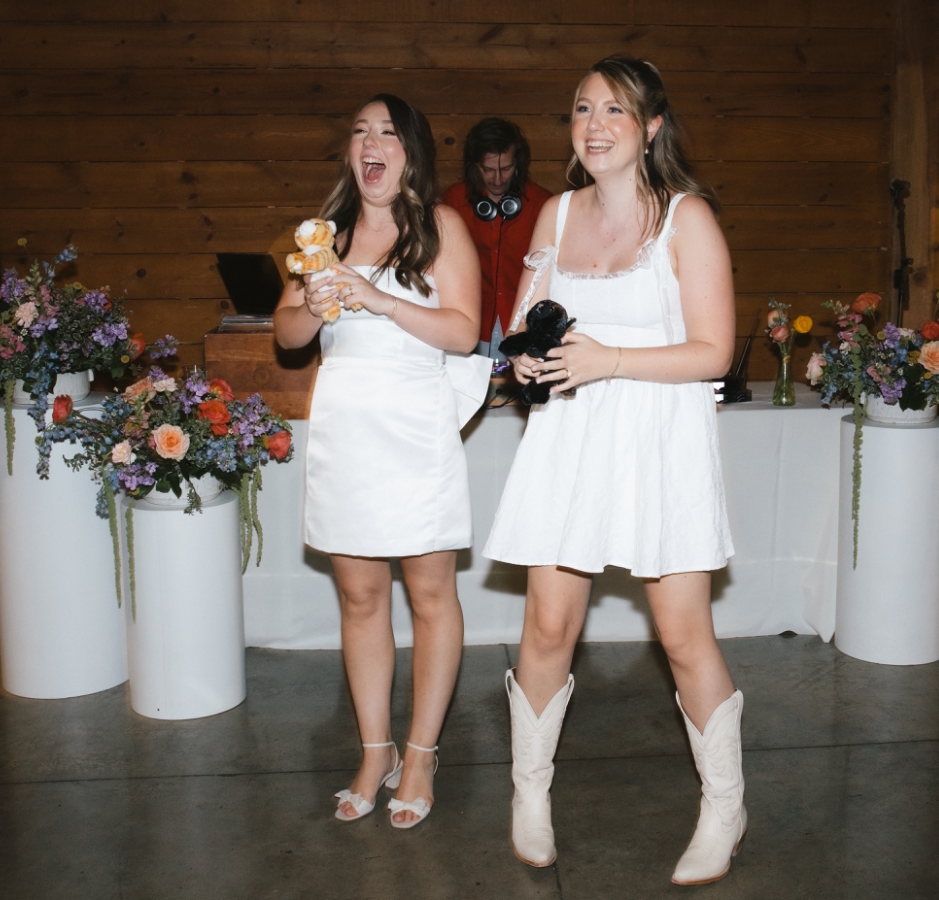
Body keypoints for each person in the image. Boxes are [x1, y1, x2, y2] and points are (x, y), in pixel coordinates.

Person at [485, 57, 741, 882]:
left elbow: (716, 351)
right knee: (548, 627)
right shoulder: (554, 214)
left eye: (615, 111)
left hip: (661, 441)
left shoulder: (686, 218)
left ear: (651, 128)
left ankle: (725, 807)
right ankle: (529, 791)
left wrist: (612, 359)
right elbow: (526, 328)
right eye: (582, 109)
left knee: (682, 636)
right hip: (570, 438)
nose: (594, 125)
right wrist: (525, 364)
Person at [274, 95, 484, 829]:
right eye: (359, 129)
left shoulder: (443, 228)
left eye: (387, 131)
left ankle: (422, 752)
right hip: (346, 433)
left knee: (431, 598)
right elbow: (289, 334)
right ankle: (375, 749)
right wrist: (315, 296)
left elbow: (463, 332)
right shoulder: (323, 234)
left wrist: (379, 298)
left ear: (411, 152)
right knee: (360, 599)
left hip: (416, 430)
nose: (371, 141)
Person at [442, 118, 551, 355]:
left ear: (519, 165)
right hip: (470, 324)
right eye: (488, 170)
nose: (498, 179)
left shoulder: (543, 205)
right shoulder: (454, 202)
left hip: (521, 327)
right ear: (474, 166)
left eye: (507, 168)